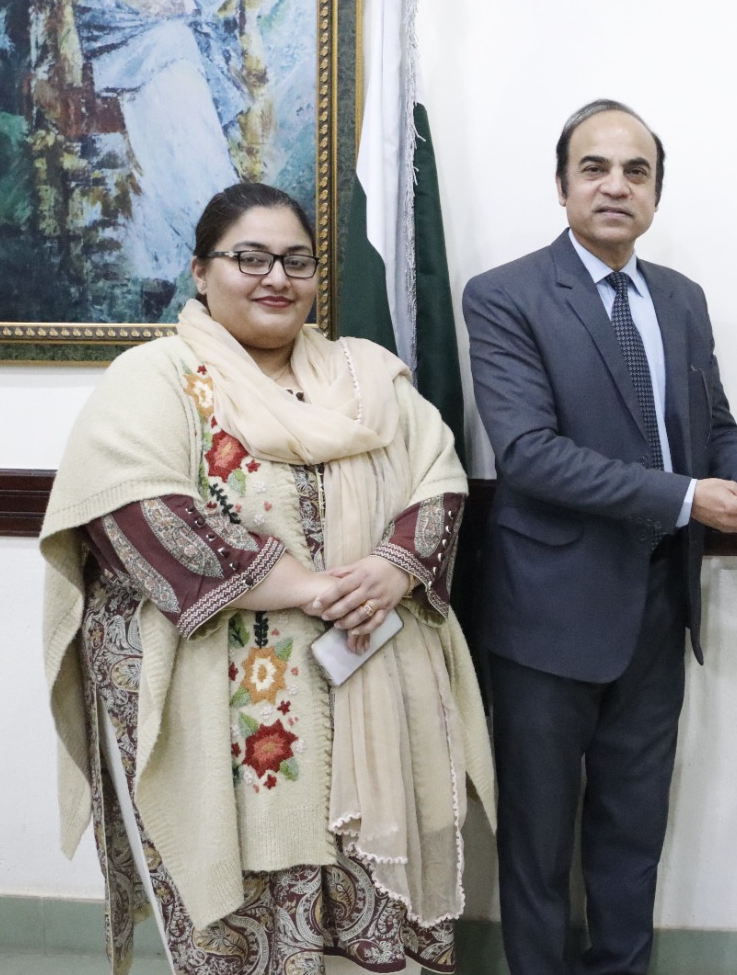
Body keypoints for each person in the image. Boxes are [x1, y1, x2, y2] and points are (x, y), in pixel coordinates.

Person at [40, 182, 495, 975]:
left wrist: (391, 567)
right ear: (200, 271)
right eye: (249, 258)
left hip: (370, 686)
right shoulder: (155, 378)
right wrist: (314, 590)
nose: (276, 278)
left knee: (372, 905)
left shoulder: (367, 376)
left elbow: (438, 479)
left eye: (296, 261)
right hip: (222, 709)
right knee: (245, 917)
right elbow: (138, 512)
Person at [461, 99, 737, 975]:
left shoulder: (680, 299)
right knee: (537, 846)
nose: (616, 186)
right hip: (546, 616)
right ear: (562, 184)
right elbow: (529, 453)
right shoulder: (504, 295)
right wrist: (687, 498)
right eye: (595, 168)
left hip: (657, 606)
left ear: (656, 192)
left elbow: (711, 429)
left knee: (633, 834)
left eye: (635, 171)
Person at [19, 0, 245, 315]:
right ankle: (227, 243)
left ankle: (163, 257)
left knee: (173, 70)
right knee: (175, 70)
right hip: (100, 44)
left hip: (170, 27)